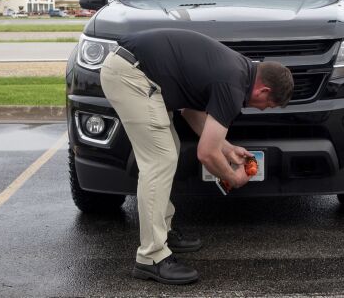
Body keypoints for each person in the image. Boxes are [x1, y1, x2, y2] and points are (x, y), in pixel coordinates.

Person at [99, 28, 294, 285]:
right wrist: (232, 178)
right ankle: (151, 257)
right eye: (267, 105)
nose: (262, 109)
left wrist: (227, 148)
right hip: (131, 75)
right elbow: (206, 153)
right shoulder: (233, 85)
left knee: (169, 150)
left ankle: (163, 232)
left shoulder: (237, 70)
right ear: (264, 91)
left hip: (134, 70)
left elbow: (192, 113)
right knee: (160, 160)